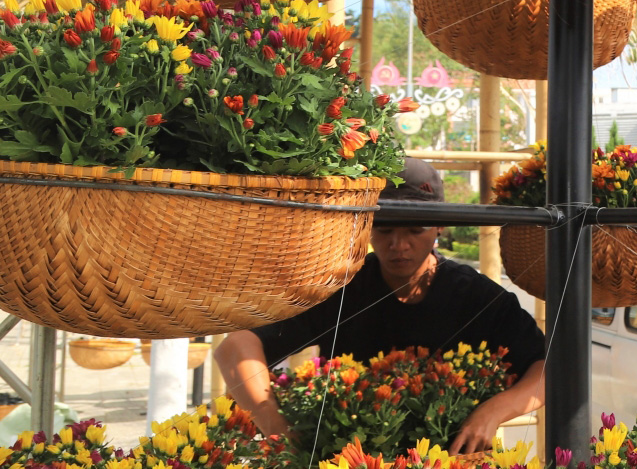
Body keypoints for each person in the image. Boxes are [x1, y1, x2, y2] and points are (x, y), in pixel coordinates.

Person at [215, 158, 547, 454]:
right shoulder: (341, 288)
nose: (398, 245)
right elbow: (235, 347)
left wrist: (493, 412)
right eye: (384, 229)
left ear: (440, 227)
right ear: (365, 226)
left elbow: (547, 367)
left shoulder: (477, 296)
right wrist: (277, 428)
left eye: (416, 229)